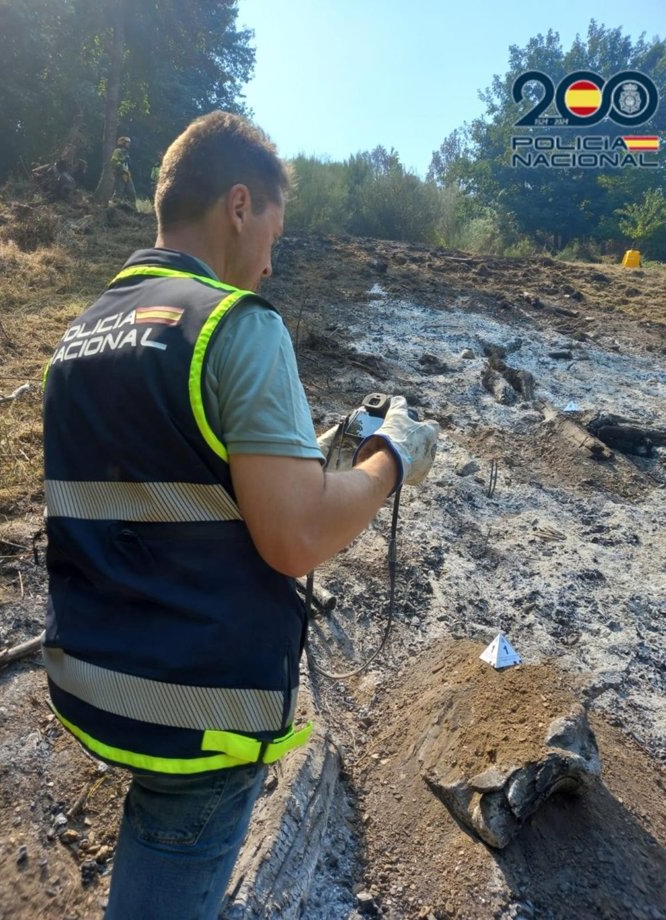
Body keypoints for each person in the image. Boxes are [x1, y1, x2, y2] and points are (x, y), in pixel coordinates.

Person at [42, 110, 438, 919]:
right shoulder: (236, 326)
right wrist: (393, 457)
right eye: (273, 237)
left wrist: (297, 453)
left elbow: (158, 470)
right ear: (239, 206)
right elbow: (298, 538)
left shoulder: (81, 335)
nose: (268, 263)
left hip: (94, 679)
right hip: (198, 711)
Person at [110, 135, 136, 207]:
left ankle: (133, 208)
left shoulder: (126, 153)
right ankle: (114, 207)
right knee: (119, 192)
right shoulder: (117, 151)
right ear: (123, 143)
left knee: (132, 192)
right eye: (127, 143)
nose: (129, 145)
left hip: (127, 175)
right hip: (120, 174)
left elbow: (127, 165)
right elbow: (113, 161)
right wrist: (122, 161)